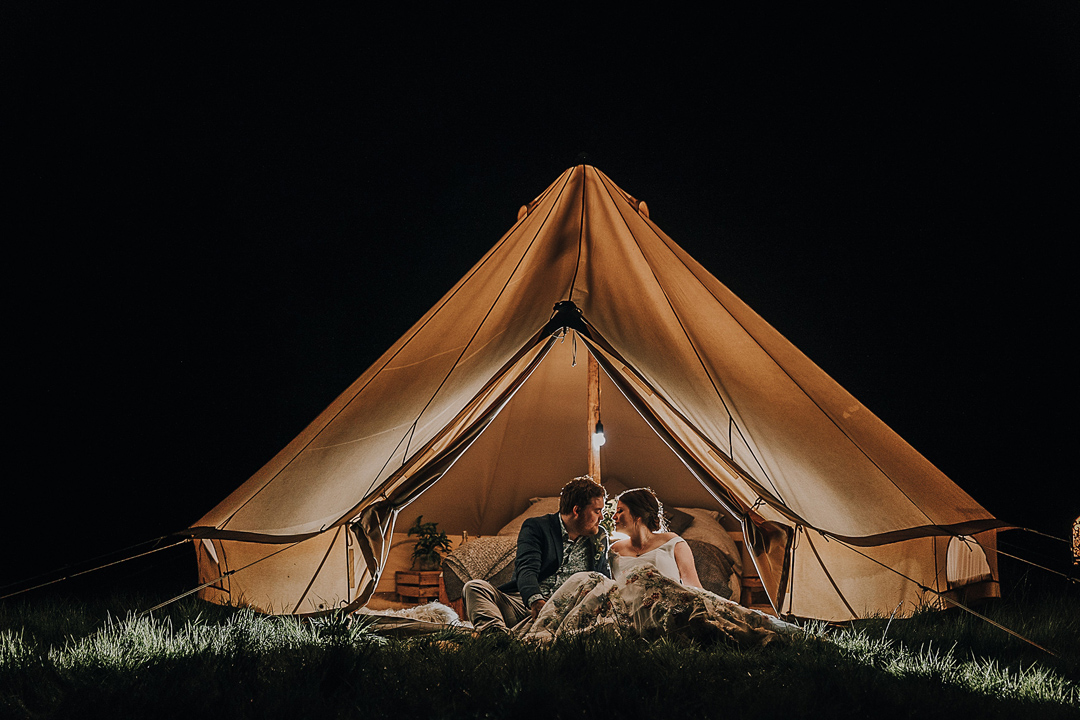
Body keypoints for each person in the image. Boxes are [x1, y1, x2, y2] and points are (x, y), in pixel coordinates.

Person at [520, 487, 799, 644]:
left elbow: (692, 585)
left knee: (648, 576)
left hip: (669, 601)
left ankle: (773, 628)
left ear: (639, 515)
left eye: (620, 511)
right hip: (629, 608)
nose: (613, 517)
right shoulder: (613, 550)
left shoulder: (673, 542)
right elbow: (606, 586)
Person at [463, 475, 611, 635]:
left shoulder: (599, 537)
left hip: (568, 608)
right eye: (597, 511)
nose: (601, 517)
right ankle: (498, 637)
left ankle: (515, 635)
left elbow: (602, 577)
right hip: (525, 604)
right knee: (474, 587)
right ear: (577, 510)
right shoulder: (537, 527)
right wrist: (535, 600)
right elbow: (526, 568)